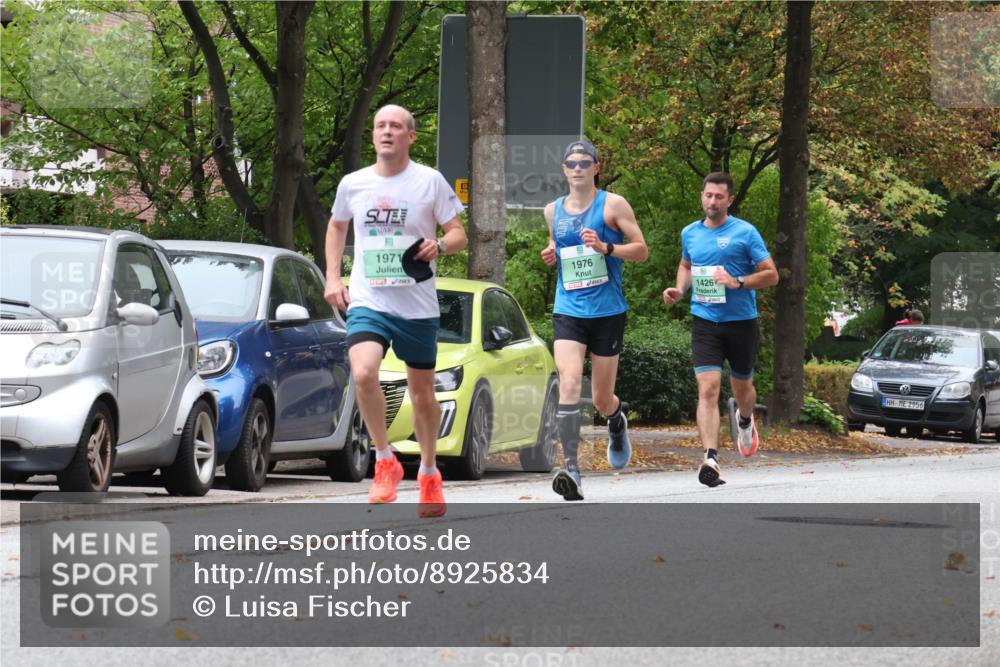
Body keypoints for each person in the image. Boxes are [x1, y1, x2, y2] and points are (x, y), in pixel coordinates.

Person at [324, 105, 467, 517]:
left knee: (422, 394)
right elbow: (337, 225)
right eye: (380, 126)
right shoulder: (354, 183)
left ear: (410, 136)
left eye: (396, 126)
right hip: (369, 299)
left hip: (417, 305)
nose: (387, 132)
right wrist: (333, 277)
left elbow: (459, 234)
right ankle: (384, 459)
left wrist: (440, 245)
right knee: (363, 373)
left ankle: (428, 473)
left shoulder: (430, 181)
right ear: (373, 135)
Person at [540, 140, 648, 501]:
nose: (577, 168)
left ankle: (616, 419)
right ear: (564, 169)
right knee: (570, 381)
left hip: (607, 311)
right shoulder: (552, 211)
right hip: (569, 308)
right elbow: (558, 246)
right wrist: (552, 252)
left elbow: (642, 250)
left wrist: (607, 247)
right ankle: (571, 468)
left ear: (596, 168)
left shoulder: (613, 205)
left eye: (584, 162)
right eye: (571, 163)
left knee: (601, 399)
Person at [662, 172, 779, 487]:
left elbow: (771, 275)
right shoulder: (690, 233)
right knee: (708, 389)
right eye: (708, 195)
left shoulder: (745, 232)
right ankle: (710, 458)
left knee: (743, 389)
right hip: (705, 322)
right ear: (702, 196)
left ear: (730, 200)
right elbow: (686, 265)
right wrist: (679, 290)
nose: (712, 201)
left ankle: (744, 419)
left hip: (741, 323)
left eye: (719, 196)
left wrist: (737, 281)